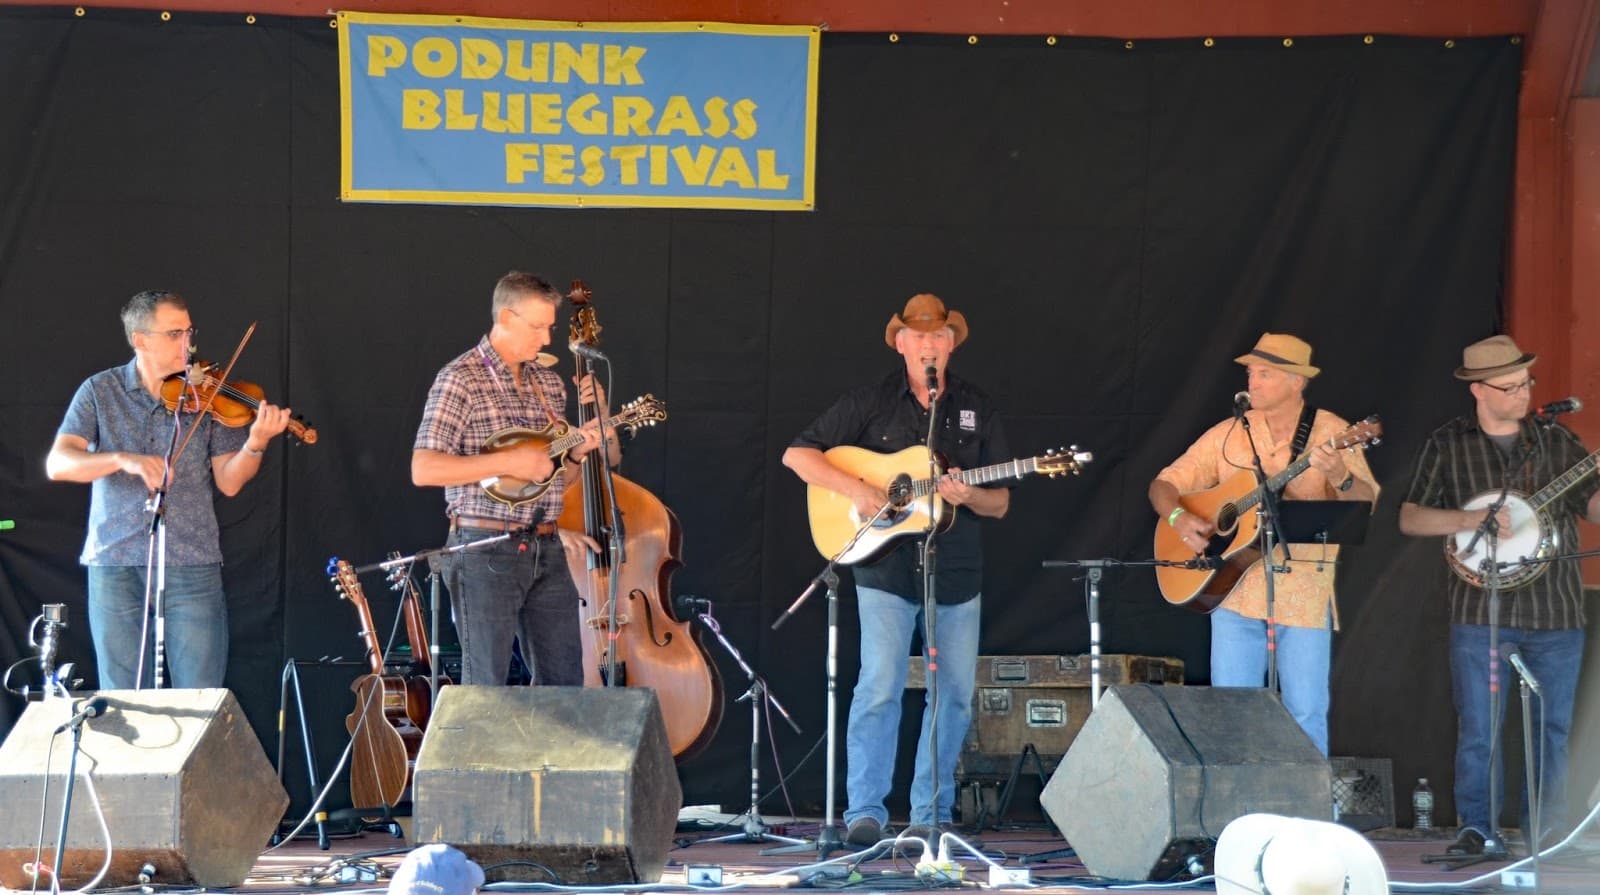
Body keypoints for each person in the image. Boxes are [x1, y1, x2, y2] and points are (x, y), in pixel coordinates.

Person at [782, 293, 1011, 845]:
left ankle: (932, 811)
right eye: (919, 336)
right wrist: (858, 489)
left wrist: (966, 495)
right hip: (883, 570)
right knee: (879, 686)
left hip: (955, 572)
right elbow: (798, 455)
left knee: (953, 694)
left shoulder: (977, 407)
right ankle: (866, 811)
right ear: (901, 343)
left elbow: (1000, 502)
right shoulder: (869, 401)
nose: (929, 345)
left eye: (938, 337)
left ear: (950, 344)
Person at [1399, 334, 1598, 855]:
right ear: (1479, 391)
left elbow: (1593, 508)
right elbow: (1411, 516)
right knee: (1480, 729)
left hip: (1556, 610)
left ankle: (1549, 831)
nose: (1524, 395)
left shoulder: (1556, 441)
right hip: (1478, 609)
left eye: (1526, 383)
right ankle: (1479, 829)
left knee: (1553, 730)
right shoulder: (1448, 443)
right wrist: (1472, 520)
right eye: (1510, 387)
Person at [45, 290, 292, 689]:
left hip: (192, 561)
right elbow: (59, 464)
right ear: (139, 339)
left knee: (200, 695)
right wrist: (122, 459)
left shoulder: (205, 393)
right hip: (115, 562)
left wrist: (256, 442)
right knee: (123, 698)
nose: (188, 344)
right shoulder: (100, 391)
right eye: (174, 333)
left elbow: (229, 481)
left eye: (189, 332)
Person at [1148, 332, 1378, 756]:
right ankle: (1238, 817)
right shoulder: (1228, 432)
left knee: (1306, 712)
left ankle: (1308, 818)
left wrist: (1339, 476)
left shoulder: (1332, 432)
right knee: (1231, 713)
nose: (1252, 381)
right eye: (1251, 372)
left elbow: (1364, 504)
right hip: (1233, 592)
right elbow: (1164, 484)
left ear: (1297, 382)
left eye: (1265, 373)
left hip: (1304, 592)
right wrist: (1179, 518)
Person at [411, 271, 611, 687]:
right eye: (537, 327)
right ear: (506, 317)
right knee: (486, 685)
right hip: (484, 550)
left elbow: (557, 480)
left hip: (546, 545)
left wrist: (574, 455)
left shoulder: (549, 385)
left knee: (564, 683)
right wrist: (508, 461)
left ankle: (552, 755)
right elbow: (423, 468)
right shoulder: (461, 379)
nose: (546, 338)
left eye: (550, 327)